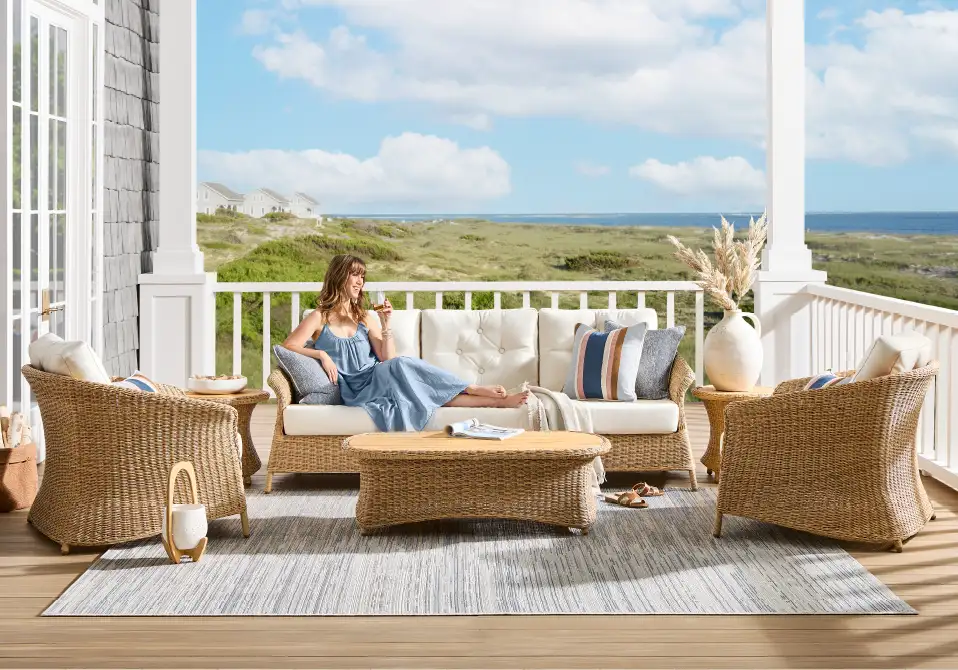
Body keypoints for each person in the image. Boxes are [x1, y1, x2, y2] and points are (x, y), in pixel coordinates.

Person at [281, 254, 530, 432]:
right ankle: (473, 388)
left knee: (417, 382)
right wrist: (321, 355)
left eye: (362, 277)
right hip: (355, 389)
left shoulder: (365, 316)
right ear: (338, 277)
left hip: (377, 376)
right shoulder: (319, 317)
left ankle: (495, 401)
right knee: (405, 369)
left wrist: (386, 323)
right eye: (354, 275)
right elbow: (288, 347)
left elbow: (386, 358)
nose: (359, 282)